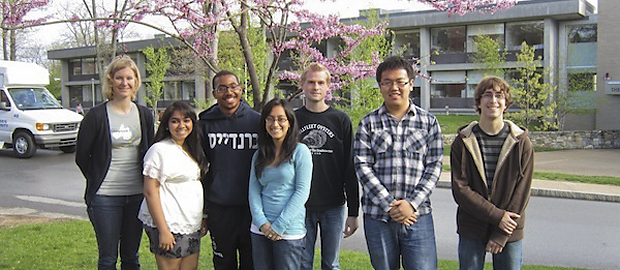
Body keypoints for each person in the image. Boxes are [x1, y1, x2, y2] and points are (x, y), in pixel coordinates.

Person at [354, 55, 443, 270]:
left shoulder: (428, 122)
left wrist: (410, 204)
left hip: (417, 216)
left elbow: (434, 166)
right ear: (380, 86)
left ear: (411, 84)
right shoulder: (368, 124)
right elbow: (362, 166)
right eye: (387, 82)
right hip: (378, 218)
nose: (394, 87)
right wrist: (390, 205)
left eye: (400, 82)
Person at [75, 55, 155, 270]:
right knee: (108, 258)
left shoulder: (144, 114)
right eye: (119, 78)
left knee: (131, 257)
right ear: (111, 80)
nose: (124, 83)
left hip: (137, 196)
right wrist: (97, 178)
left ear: (136, 81)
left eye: (129, 78)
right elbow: (82, 156)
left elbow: (150, 153)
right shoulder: (96, 116)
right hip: (105, 198)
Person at [450, 76, 534, 270]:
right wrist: (497, 216)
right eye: (488, 95)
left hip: (509, 230)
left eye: (499, 96)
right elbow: (461, 190)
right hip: (472, 226)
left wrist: (501, 232)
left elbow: (522, 191)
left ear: (506, 104)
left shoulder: (521, 143)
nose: (494, 100)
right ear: (479, 102)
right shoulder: (463, 141)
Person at [294, 63, 359, 270]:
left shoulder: (341, 120)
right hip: (300, 205)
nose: (315, 87)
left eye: (321, 82)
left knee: (331, 264)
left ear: (328, 86)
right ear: (302, 85)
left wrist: (354, 212)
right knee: (303, 263)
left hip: (333, 205)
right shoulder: (292, 119)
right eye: (311, 82)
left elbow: (349, 167)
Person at [197, 70, 261, 270]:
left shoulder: (257, 122)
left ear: (241, 90)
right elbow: (199, 170)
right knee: (224, 264)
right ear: (214, 92)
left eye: (233, 86)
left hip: (252, 208)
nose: (228, 92)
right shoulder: (204, 124)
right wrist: (204, 212)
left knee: (251, 263)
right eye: (222, 88)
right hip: (220, 208)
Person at [138, 101, 209, 270]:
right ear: (167, 125)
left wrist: (203, 218)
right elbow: (150, 192)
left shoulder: (192, 149)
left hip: (190, 223)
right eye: (175, 121)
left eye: (186, 120)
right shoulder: (158, 151)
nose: (181, 125)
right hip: (169, 224)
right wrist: (163, 230)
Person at [248, 98, 313, 270]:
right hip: (260, 229)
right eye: (270, 119)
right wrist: (262, 222)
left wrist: (279, 226)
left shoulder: (301, 152)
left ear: (290, 123)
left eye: (281, 119)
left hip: (289, 231)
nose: (275, 124)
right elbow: (254, 191)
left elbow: (302, 192)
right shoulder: (259, 154)